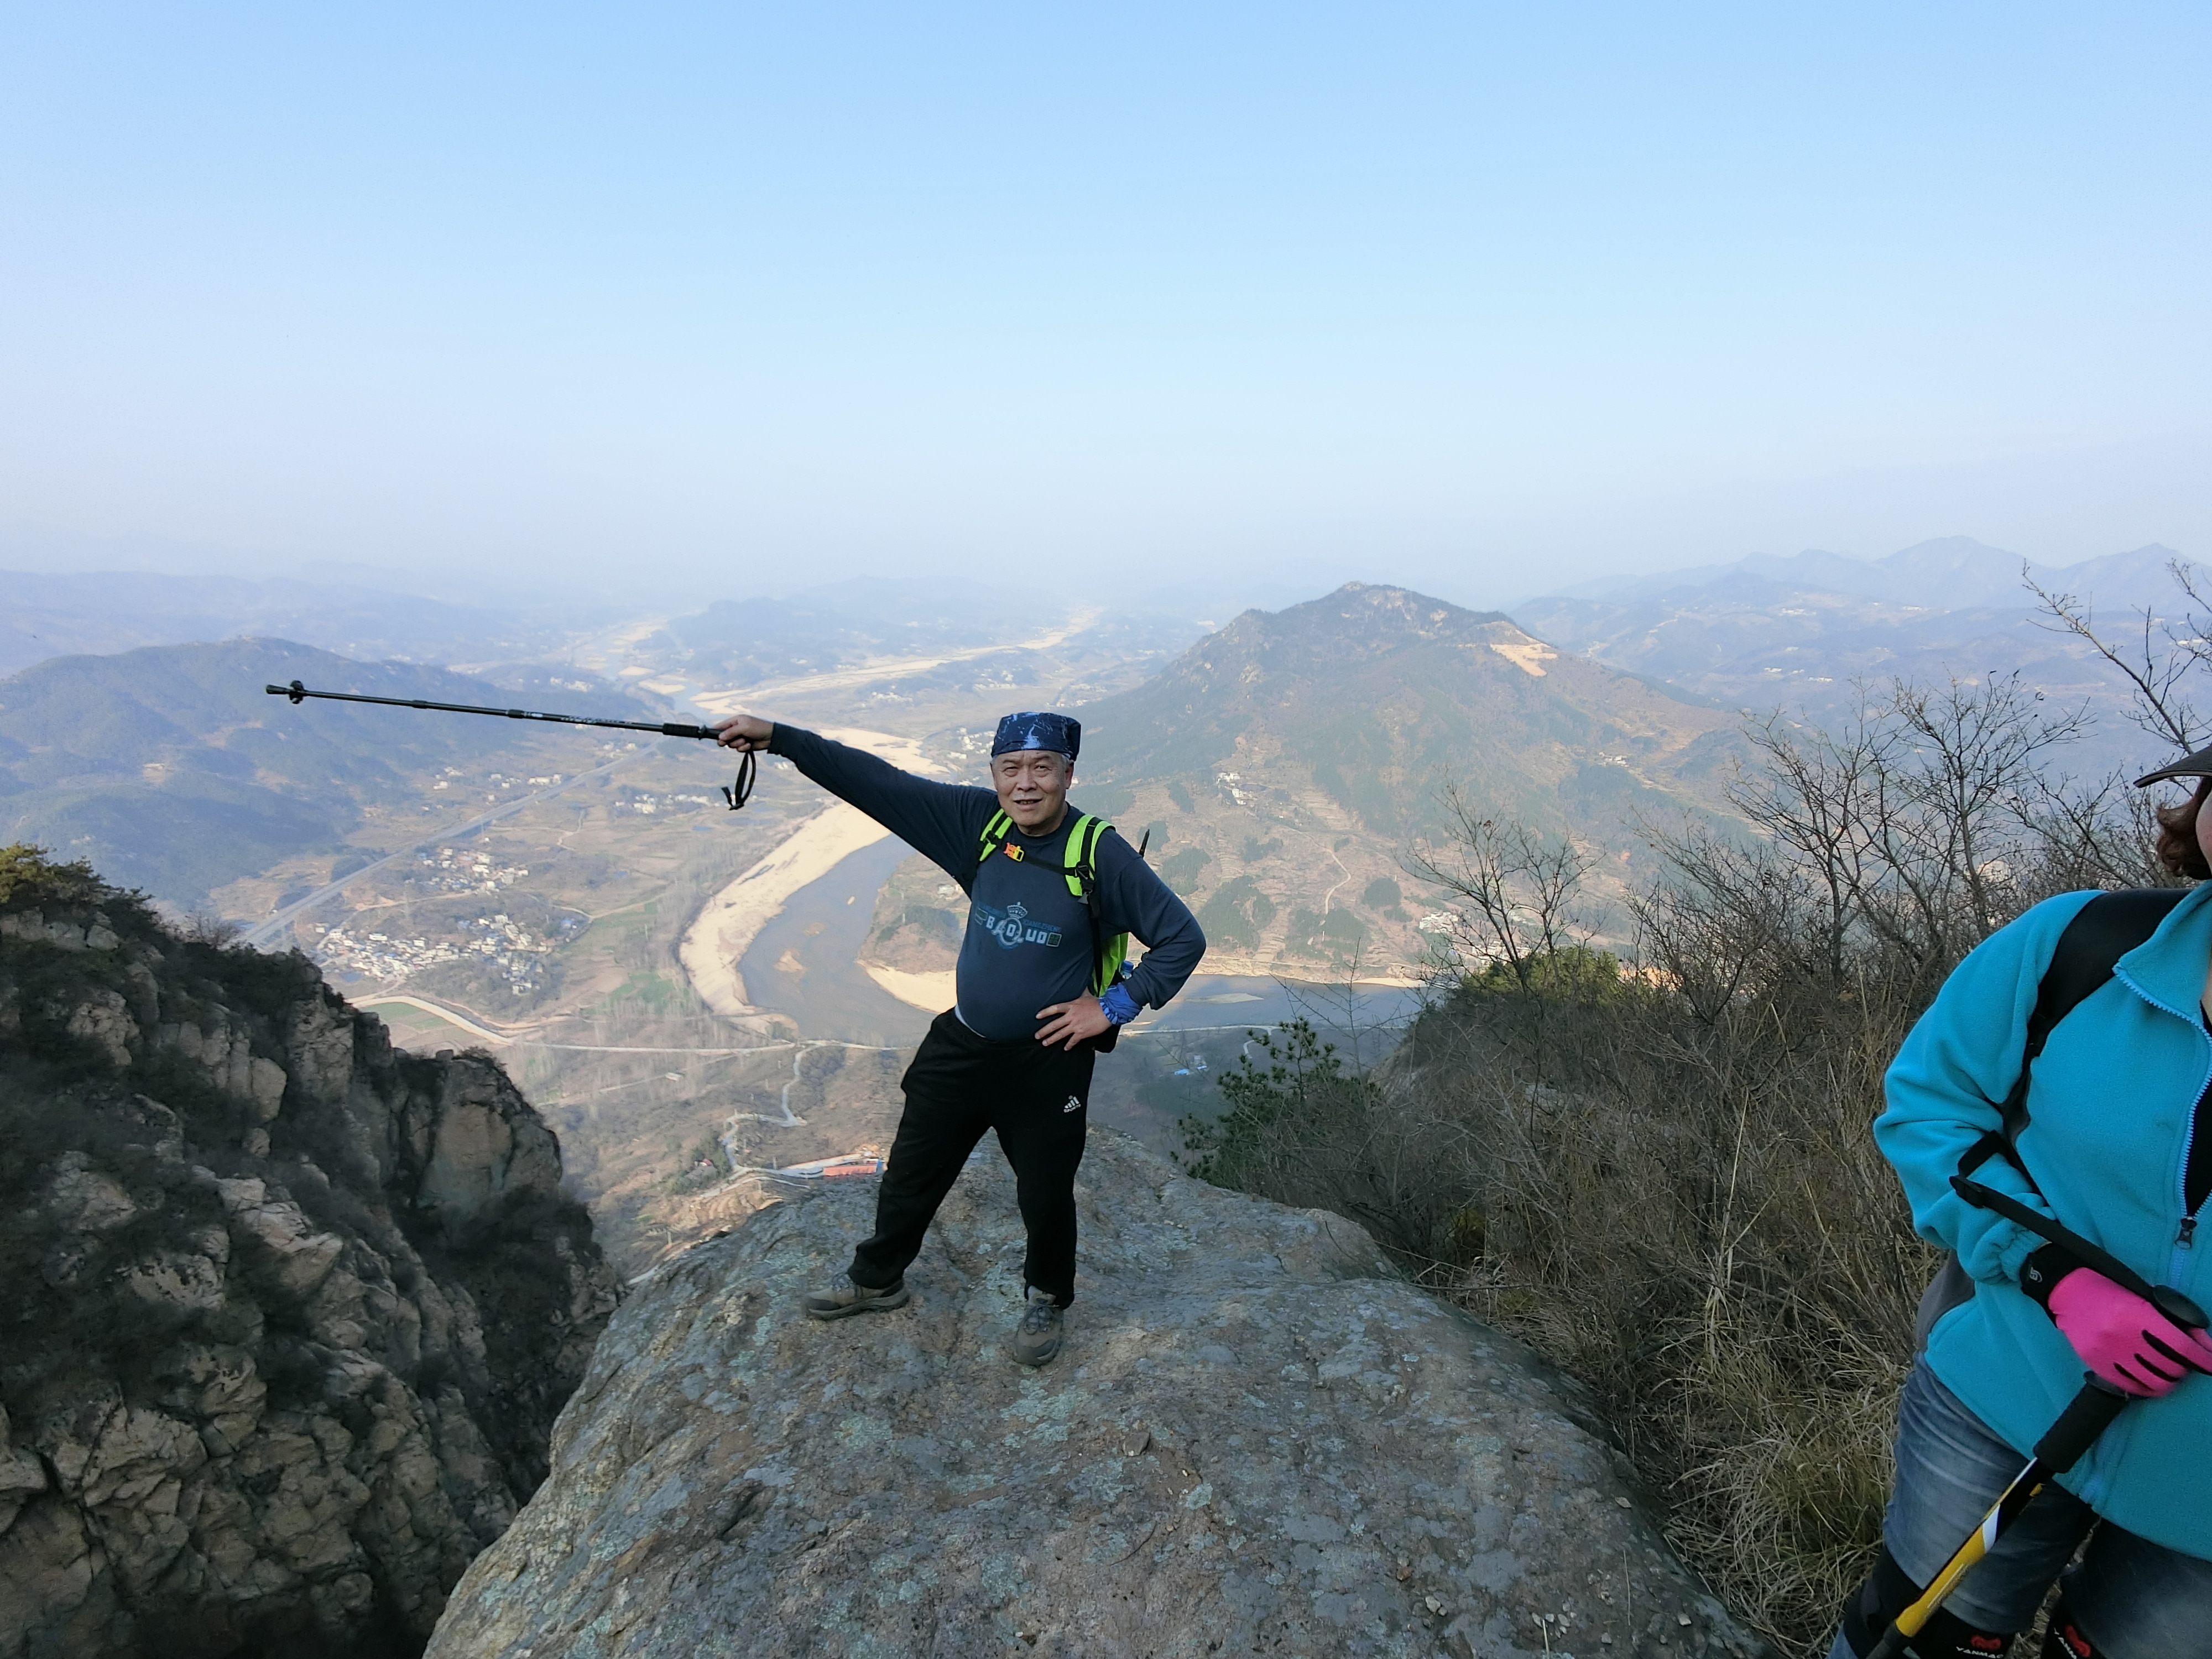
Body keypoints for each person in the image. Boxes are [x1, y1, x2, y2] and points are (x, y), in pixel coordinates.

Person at [1825, 748, 2212, 1658]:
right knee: (1917, 1639)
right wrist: (2051, 1272)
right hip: (2004, 1397)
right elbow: (1933, 1110)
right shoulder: (2083, 948)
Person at [712, 709, 1205, 1366]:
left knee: (1045, 1190)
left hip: (1047, 1060)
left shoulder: (1097, 852)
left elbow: (1181, 938)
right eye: (1010, 768)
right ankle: (877, 1277)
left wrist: (1113, 1007)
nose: (1024, 784)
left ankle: (1046, 1296)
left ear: (1068, 775)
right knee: (912, 1170)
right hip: (962, 1044)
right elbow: (877, 783)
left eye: (1042, 768)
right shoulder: (980, 824)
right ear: (994, 773)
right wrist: (780, 739)